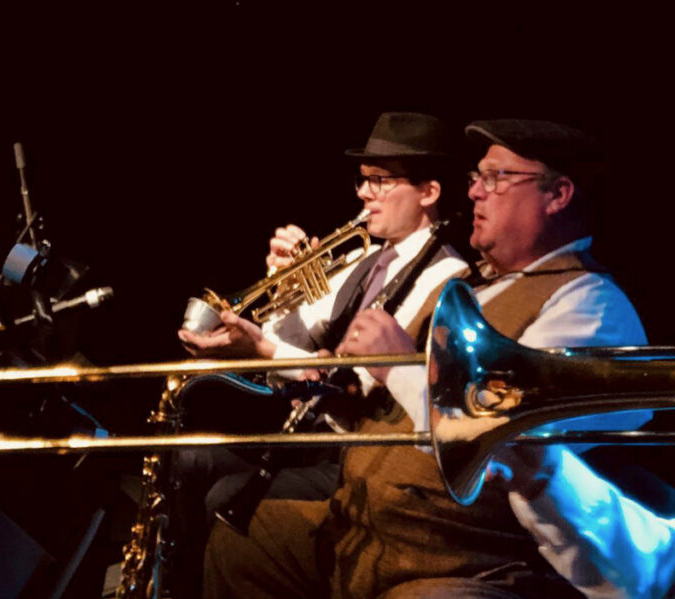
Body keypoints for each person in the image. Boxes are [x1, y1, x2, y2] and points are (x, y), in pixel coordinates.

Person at [204, 119, 675, 599]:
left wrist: (395, 363)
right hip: (368, 523)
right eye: (476, 178)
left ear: (557, 195)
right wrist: (333, 395)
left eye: (496, 178)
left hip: (466, 557)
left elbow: (505, 435)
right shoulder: (471, 288)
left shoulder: (588, 304)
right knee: (244, 541)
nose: (476, 193)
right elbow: (387, 410)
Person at [171, 112, 469, 597]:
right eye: (363, 180)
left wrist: (263, 345)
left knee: (226, 498)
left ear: (429, 193)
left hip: (357, 451)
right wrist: (286, 283)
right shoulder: (364, 258)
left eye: (380, 181)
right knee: (189, 460)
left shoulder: (446, 278)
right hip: (310, 431)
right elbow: (291, 341)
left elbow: (355, 385)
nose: (363, 193)